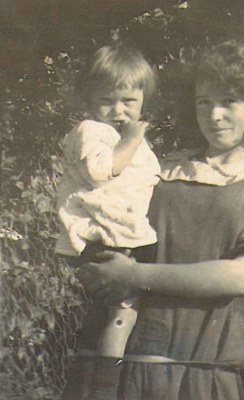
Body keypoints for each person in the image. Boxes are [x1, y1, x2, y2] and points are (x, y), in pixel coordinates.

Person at [77, 40, 244, 400]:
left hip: (194, 373)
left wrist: (133, 275)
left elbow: (243, 276)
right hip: (108, 363)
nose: (214, 115)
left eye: (228, 101)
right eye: (204, 102)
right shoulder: (155, 168)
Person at [57, 44, 160, 400]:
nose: (118, 110)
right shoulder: (92, 131)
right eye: (107, 100)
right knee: (121, 308)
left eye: (128, 101)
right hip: (103, 236)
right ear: (89, 100)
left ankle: (106, 379)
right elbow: (102, 170)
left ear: (144, 99)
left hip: (125, 232)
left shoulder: (127, 139)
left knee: (125, 311)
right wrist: (132, 139)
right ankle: (103, 386)